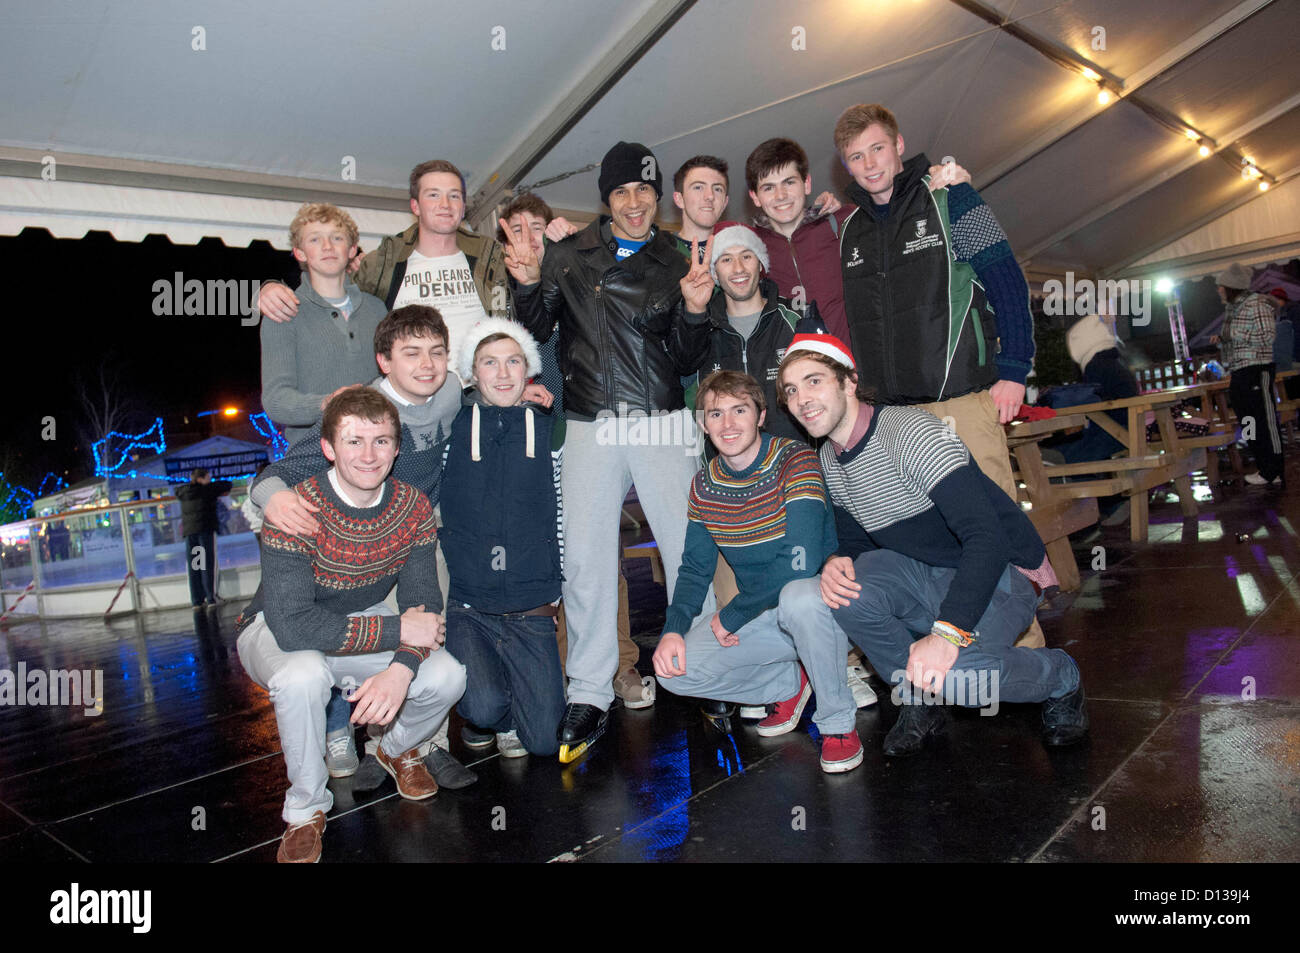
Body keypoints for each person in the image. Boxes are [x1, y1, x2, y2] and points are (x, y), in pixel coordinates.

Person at [776, 332, 1087, 756]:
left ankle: (1060, 675)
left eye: (814, 381)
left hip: (1001, 571)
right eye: (791, 390)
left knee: (961, 679)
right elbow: (855, 543)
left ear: (848, 381)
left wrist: (946, 634)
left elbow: (987, 537)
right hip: (927, 569)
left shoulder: (912, 434)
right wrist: (836, 559)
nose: (801, 399)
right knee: (845, 591)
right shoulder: (830, 458)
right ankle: (918, 697)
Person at [503, 140, 713, 762]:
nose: (634, 203)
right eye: (622, 192)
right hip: (591, 419)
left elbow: (687, 358)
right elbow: (537, 329)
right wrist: (526, 284)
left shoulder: (677, 261)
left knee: (684, 548)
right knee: (587, 559)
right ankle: (591, 688)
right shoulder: (567, 254)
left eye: (645, 191)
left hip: (661, 418)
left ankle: (698, 668)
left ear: (657, 197)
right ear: (606, 199)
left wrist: (697, 312)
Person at [832, 103, 1045, 649]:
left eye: (877, 148)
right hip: (893, 420)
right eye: (856, 157)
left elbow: (1006, 282)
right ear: (845, 166)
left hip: (961, 403)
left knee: (995, 536)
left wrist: (1015, 370)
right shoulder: (850, 230)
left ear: (899, 144)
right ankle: (944, 662)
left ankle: (1027, 660)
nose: (870, 164)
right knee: (919, 549)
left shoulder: (953, 198)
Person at [250, 305, 478, 790]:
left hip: (417, 520)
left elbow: (480, 389)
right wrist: (273, 500)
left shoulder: (454, 389)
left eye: (437, 353)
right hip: (373, 529)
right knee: (401, 632)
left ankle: (413, 748)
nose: (427, 364)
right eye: (411, 353)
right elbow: (286, 469)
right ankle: (371, 754)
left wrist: (519, 395)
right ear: (383, 362)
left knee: (432, 630)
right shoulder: (364, 414)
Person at [235, 387, 466, 863]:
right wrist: (397, 633)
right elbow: (294, 626)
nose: (368, 455)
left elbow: (422, 604)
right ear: (327, 449)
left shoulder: (413, 506)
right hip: (274, 629)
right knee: (303, 676)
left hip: (356, 623)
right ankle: (305, 811)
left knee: (447, 676)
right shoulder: (296, 507)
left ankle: (394, 748)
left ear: (397, 448)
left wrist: (401, 669)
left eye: (381, 441)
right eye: (354, 441)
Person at [653, 371, 865, 771]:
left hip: (822, 608)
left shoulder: (795, 459)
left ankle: (838, 724)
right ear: (702, 423)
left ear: (761, 415)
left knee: (798, 596)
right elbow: (696, 568)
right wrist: (672, 630)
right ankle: (791, 683)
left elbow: (799, 560)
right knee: (672, 674)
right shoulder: (704, 485)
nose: (728, 425)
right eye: (716, 414)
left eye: (740, 411)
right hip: (764, 616)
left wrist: (733, 615)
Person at [495, 194, 651, 712]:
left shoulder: (579, 270)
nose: (528, 236)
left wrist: (583, 229)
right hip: (534, 442)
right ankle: (569, 674)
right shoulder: (504, 297)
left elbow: (622, 238)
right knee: (555, 558)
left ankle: (622, 665)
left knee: (601, 551)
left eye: (537, 226)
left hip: (586, 431)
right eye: (515, 228)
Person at [440, 319, 566, 757]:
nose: (503, 373)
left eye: (514, 361)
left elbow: (563, 513)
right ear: (472, 373)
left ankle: (519, 694)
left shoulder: (550, 430)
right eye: (489, 363)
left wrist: (557, 591)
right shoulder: (451, 428)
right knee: (484, 706)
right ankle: (497, 708)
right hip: (469, 608)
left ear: (529, 370)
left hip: (531, 607)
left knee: (548, 743)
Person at [258, 159, 511, 377]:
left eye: (454, 195)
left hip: (482, 395)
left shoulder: (493, 256)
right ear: (415, 206)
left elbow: (528, 314)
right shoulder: (383, 262)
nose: (445, 204)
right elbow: (331, 289)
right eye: (433, 194)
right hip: (416, 402)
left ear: (463, 205)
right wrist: (269, 288)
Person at [743, 138, 968, 343]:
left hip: (865, 364)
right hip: (802, 375)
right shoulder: (748, 248)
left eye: (789, 182)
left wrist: (947, 180)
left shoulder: (848, 220)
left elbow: (903, 221)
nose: (781, 196)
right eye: (768, 188)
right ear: (755, 196)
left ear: (807, 183)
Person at [260, 204, 389, 445]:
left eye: (336, 237)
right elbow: (276, 401)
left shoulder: (377, 308)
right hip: (314, 453)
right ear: (300, 253)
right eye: (315, 239)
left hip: (379, 445)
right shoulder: (283, 312)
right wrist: (327, 403)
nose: (327, 246)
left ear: (351, 249)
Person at [1212, 263, 1284, 486]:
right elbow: (1243, 337)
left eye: (1221, 286)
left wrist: (1231, 334)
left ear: (1231, 287)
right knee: (1248, 420)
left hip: (1257, 368)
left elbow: (1266, 336)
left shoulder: (1256, 304)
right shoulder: (1233, 308)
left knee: (1264, 419)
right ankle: (1263, 466)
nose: (1218, 290)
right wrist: (1223, 341)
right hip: (1240, 370)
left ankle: (1274, 469)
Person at [176, 468, 232, 608]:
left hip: (190, 533)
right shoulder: (207, 490)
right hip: (205, 530)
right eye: (208, 477)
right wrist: (209, 485)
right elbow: (227, 484)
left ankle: (197, 600)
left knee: (195, 565)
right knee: (208, 563)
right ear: (201, 479)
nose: (210, 480)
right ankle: (211, 597)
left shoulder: (183, 491)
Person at [672, 156, 730, 255]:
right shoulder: (660, 253)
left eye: (717, 189)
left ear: (725, 202)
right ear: (679, 199)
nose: (710, 196)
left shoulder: (739, 253)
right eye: (698, 187)